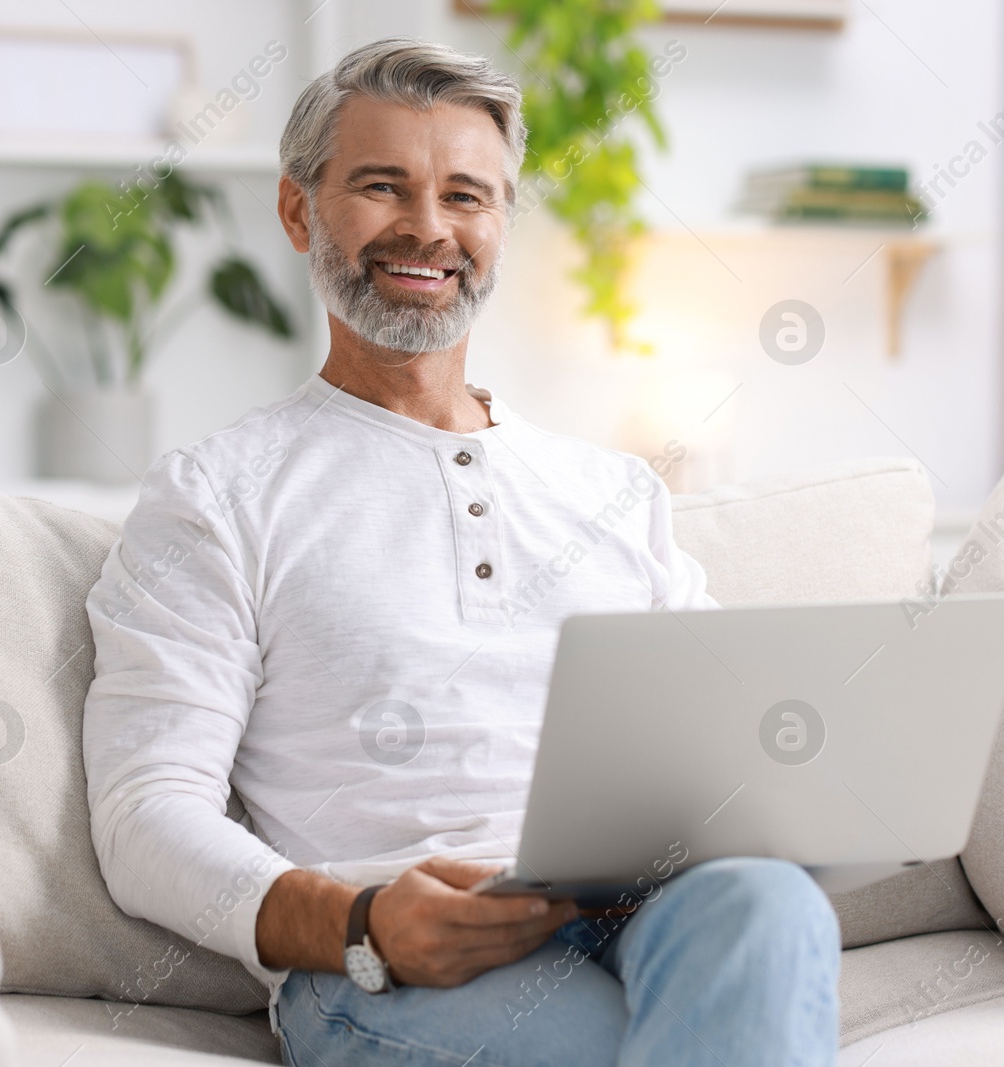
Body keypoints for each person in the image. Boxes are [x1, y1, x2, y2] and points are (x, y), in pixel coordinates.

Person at [82, 36, 839, 1067]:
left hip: (644, 914)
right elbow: (145, 814)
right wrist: (359, 918)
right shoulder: (215, 494)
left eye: (466, 197)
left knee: (765, 896)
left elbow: (726, 757)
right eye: (382, 187)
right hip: (389, 965)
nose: (428, 229)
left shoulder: (614, 491)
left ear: (502, 220)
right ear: (300, 211)